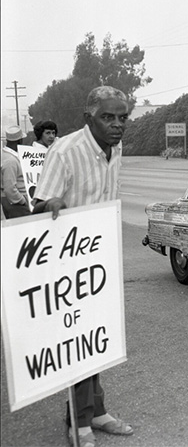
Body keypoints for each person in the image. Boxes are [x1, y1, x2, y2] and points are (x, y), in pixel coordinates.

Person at [32, 86, 133, 447]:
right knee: (77, 340)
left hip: (99, 255)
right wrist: (52, 203)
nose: (117, 125)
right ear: (88, 117)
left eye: (123, 118)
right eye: (108, 117)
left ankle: (98, 411)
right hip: (67, 262)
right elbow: (39, 206)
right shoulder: (65, 151)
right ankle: (77, 423)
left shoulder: (115, 146)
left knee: (96, 339)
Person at [1, 126, 31, 218]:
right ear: (19, 141)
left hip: (12, 201)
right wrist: (22, 200)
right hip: (15, 203)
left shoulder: (6, 155)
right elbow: (9, 187)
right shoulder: (11, 161)